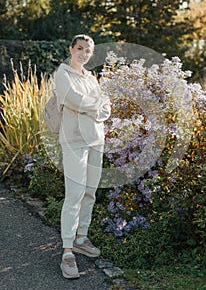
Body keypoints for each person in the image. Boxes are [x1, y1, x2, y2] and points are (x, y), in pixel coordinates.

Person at [55, 34, 111, 279]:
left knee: (90, 191)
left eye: (88, 51)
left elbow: (106, 107)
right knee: (74, 194)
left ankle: (81, 238)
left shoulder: (90, 77)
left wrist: (95, 106)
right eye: (80, 49)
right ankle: (67, 251)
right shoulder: (63, 74)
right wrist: (94, 104)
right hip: (74, 142)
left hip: (96, 141)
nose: (84, 54)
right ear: (71, 49)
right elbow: (72, 100)